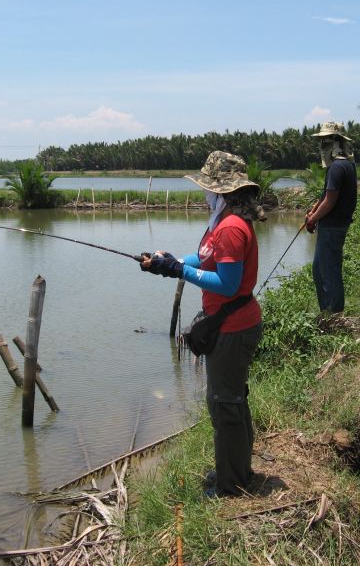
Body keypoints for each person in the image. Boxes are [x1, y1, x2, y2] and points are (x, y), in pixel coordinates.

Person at [140, 151, 265, 497]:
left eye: (208, 188)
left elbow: (226, 283)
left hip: (234, 328)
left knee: (225, 404)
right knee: (230, 401)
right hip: (230, 325)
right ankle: (236, 469)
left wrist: (182, 272)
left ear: (221, 191)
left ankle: (231, 485)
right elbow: (205, 259)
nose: (204, 193)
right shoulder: (223, 223)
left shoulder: (230, 229)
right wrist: (170, 261)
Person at [304, 121, 358, 313]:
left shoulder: (337, 167)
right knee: (320, 270)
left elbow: (330, 201)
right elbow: (326, 196)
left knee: (329, 271)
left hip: (332, 226)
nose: (322, 146)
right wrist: (314, 209)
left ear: (337, 143)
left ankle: (333, 314)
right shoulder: (345, 165)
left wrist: (312, 219)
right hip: (332, 225)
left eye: (326, 142)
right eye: (321, 142)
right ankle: (327, 312)